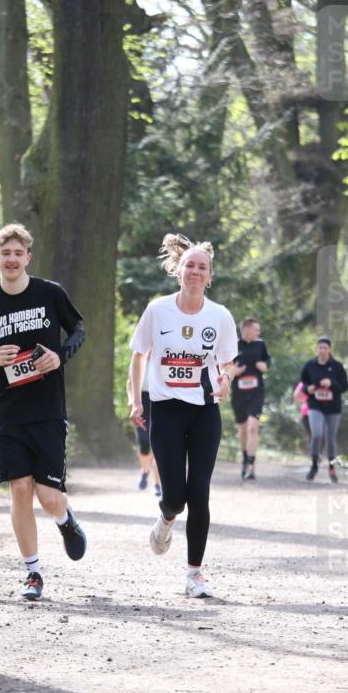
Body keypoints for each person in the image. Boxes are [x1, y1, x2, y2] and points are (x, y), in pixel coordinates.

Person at [0, 223, 88, 601]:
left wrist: (59, 357)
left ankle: (66, 522)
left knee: (49, 497)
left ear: (27, 257)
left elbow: (79, 329)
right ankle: (32, 574)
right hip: (10, 412)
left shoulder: (50, 293)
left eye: (19, 253)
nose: (12, 260)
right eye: (6, 254)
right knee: (20, 490)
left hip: (48, 409)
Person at [128, 233, 238, 598]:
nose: (194, 271)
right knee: (175, 496)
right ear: (178, 271)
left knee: (200, 493)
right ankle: (166, 518)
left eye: (201, 267)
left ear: (210, 276)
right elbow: (139, 355)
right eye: (189, 265)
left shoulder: (219, 316)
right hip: (167, 408)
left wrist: (223, 381)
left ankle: (194, 574)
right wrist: (136, 400)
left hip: (205, 411)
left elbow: (227, 364)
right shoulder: (158, 310)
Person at [300, 337, 348, 482]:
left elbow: (345, 386)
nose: (322, 350)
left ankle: (332, 467)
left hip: (333, 407)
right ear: (317, 349)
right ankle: (314, 464)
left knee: (330, 439)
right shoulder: (310, 365)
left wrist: (332, 383)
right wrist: (307, 388)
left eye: (325, 348)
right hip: (315, 405)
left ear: (329, 350)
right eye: (320, 348)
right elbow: (303, 382)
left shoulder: (337, 366)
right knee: (316, 435)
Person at [230, 317, 271, 480]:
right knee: (242, 430)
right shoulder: (233, 345)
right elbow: (224, 365)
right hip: (238, 394)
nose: (258, 332)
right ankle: (245, 458)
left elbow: (267, 359)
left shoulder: (260, 344)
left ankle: (251, 464)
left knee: (253, 427)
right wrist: (234, 371)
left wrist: (265, 365)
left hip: (256, 392)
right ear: (246, 329)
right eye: (256, 329)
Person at [126, 362, 161, 497]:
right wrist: (132, 400)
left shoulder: (165, 353)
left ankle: (158, 484)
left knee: (159, 445)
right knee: (144, 442)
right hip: (142, 402)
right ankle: (145, 470)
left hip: (160, 401)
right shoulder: (140, 358)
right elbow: (129, 382)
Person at [293, 380, 311, 449]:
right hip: (306, 413)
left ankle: (317, 453)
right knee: (313, 434)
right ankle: (313, 453)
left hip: (321, 413)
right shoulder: (304, 383)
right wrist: (306, 401)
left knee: (320, 434)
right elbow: (295, 397)